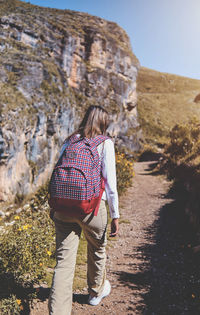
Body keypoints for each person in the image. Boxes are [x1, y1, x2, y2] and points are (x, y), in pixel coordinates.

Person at [48, 105, 119, 315]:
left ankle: (58, 312)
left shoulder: (70, 140)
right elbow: (111, 184)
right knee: (97, 247)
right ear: (103, 123)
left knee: (63, 261)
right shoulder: (105, 143)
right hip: (92, 208)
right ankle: (95, 292)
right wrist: (115, 215)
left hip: (63, 207)